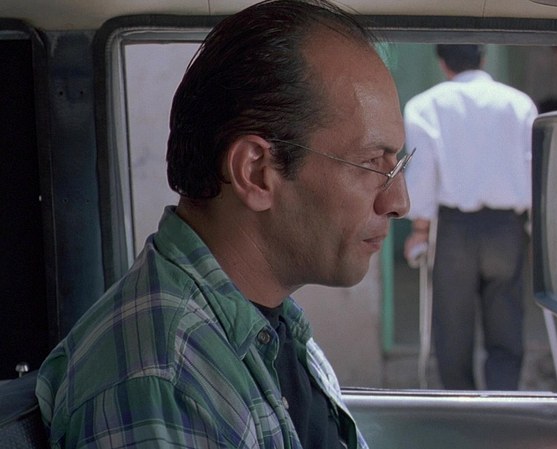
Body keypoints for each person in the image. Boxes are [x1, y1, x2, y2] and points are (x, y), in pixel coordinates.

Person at [35, 0, 411, 447]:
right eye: (372, 163)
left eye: (398, 164)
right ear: (256, 172)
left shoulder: (268, 326)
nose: (399, 202)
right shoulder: (167, 381)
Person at [403, 44, 538, 390]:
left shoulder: (425, 106)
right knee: (506, 321)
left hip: (455, 231)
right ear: (484, 58)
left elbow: (422, 175)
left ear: (442, 64)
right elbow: (532, 169)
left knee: (452, 327)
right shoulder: (519, 104)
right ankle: (502, 405)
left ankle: (460, 409)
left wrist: (420, 229)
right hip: (506, 228)